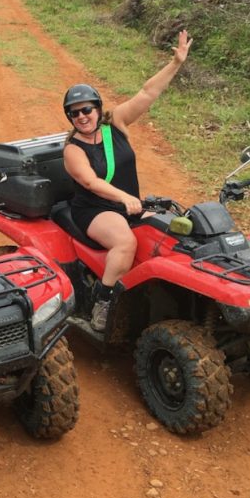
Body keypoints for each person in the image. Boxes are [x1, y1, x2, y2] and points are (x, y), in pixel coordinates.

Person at [62, 29, 193, 332]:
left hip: (129, 205)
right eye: (74, 114)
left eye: (86, 110)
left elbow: (147, 94)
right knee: (125, 242)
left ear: (97, 108)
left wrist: (176, 63)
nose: (81, 117)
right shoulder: (72, 149)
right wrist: (122, 197)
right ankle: (103, 301)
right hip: (94, 210)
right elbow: (91, 182)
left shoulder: (116, 124)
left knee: (174, 234)